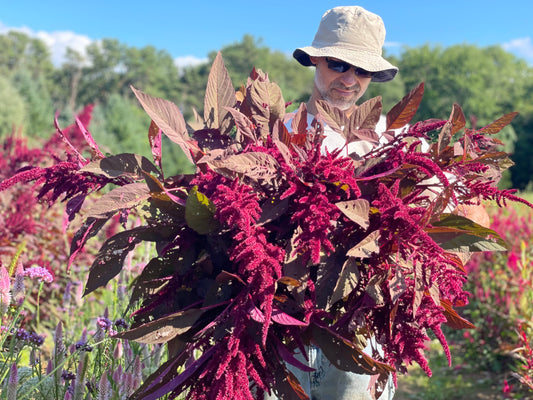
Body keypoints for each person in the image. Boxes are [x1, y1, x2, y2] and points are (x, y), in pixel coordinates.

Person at [267, 6, 399, 400]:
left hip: (355, 324)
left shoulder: (388, 142)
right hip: (280, 323)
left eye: (362, 70)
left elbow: (447, 203)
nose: (350, 79)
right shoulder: (279, 132)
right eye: (339, 64)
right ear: (315, 60)